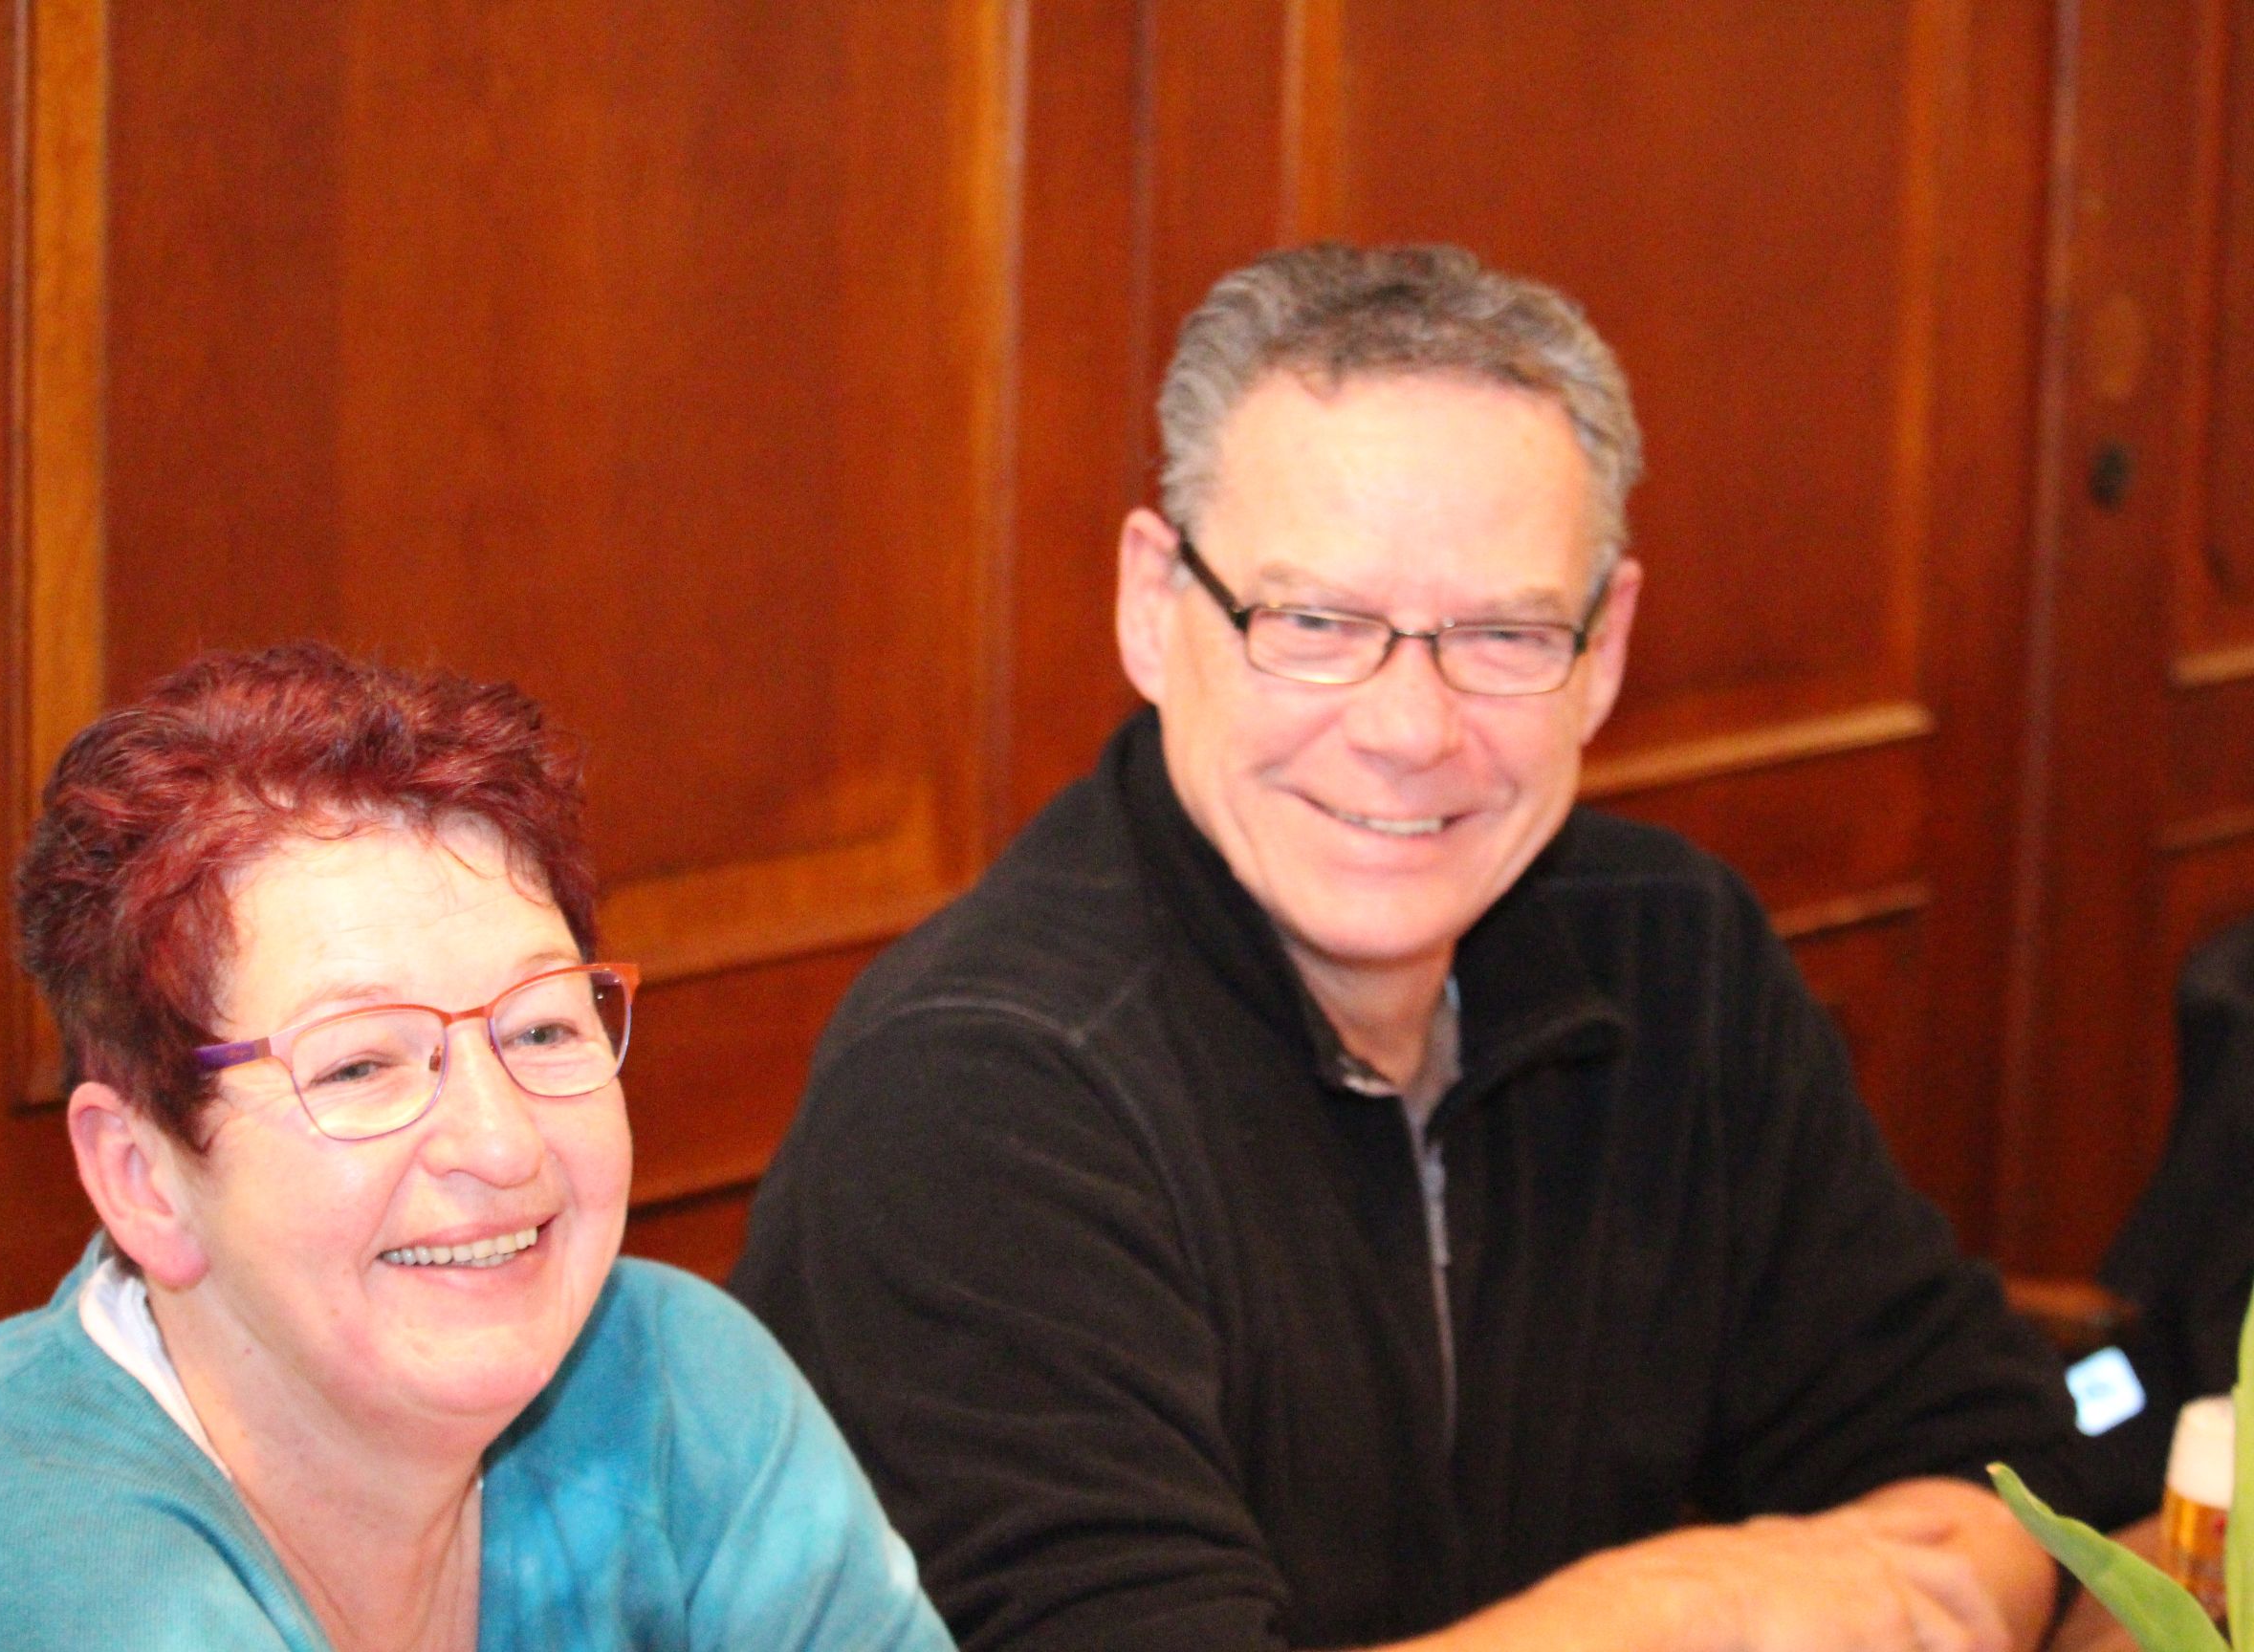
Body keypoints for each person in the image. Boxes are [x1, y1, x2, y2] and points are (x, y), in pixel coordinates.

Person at [731, 244, 2098, 1652]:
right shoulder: (976, 1093)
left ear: (1604, 650)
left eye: (1503, 634)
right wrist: (1691, 1617)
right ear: (1152, 605)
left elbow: (2012, 1476)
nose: (1408, 729)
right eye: (1315, 622)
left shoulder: (1673, 955)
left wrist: (1899, 1583)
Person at [0, 642, 951, 1651]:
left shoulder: (675, 1383)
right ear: (143, 1179)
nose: (500, 1145)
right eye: (360, 1066)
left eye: (543, 1029)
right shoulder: (15, 1557)